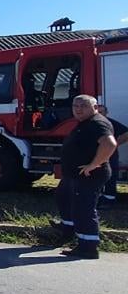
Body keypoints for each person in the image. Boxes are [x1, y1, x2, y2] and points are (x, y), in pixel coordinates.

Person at [54, 95, 117, 259]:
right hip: (74, 174)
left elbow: (109, 144)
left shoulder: (97, 123)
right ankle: (67, 231)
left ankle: (88, 246)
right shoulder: (86, 123)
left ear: (95, 108)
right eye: (76, 106)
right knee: (64, 198)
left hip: (89, 175)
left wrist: (94, 164)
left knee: (83, 209)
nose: (78, 109)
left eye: (83, 106)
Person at [98, 104, 128, 206]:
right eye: (97, 111)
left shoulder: (110, 123)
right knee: (98, 176)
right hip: (97, 156)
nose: (99, 114)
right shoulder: (93, 123)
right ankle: (100, 198)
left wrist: (115, 144)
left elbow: (126, 133)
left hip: (110, 155)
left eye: (101, 112)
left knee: (110, 176)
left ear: (106, 113)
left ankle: (110, 199)